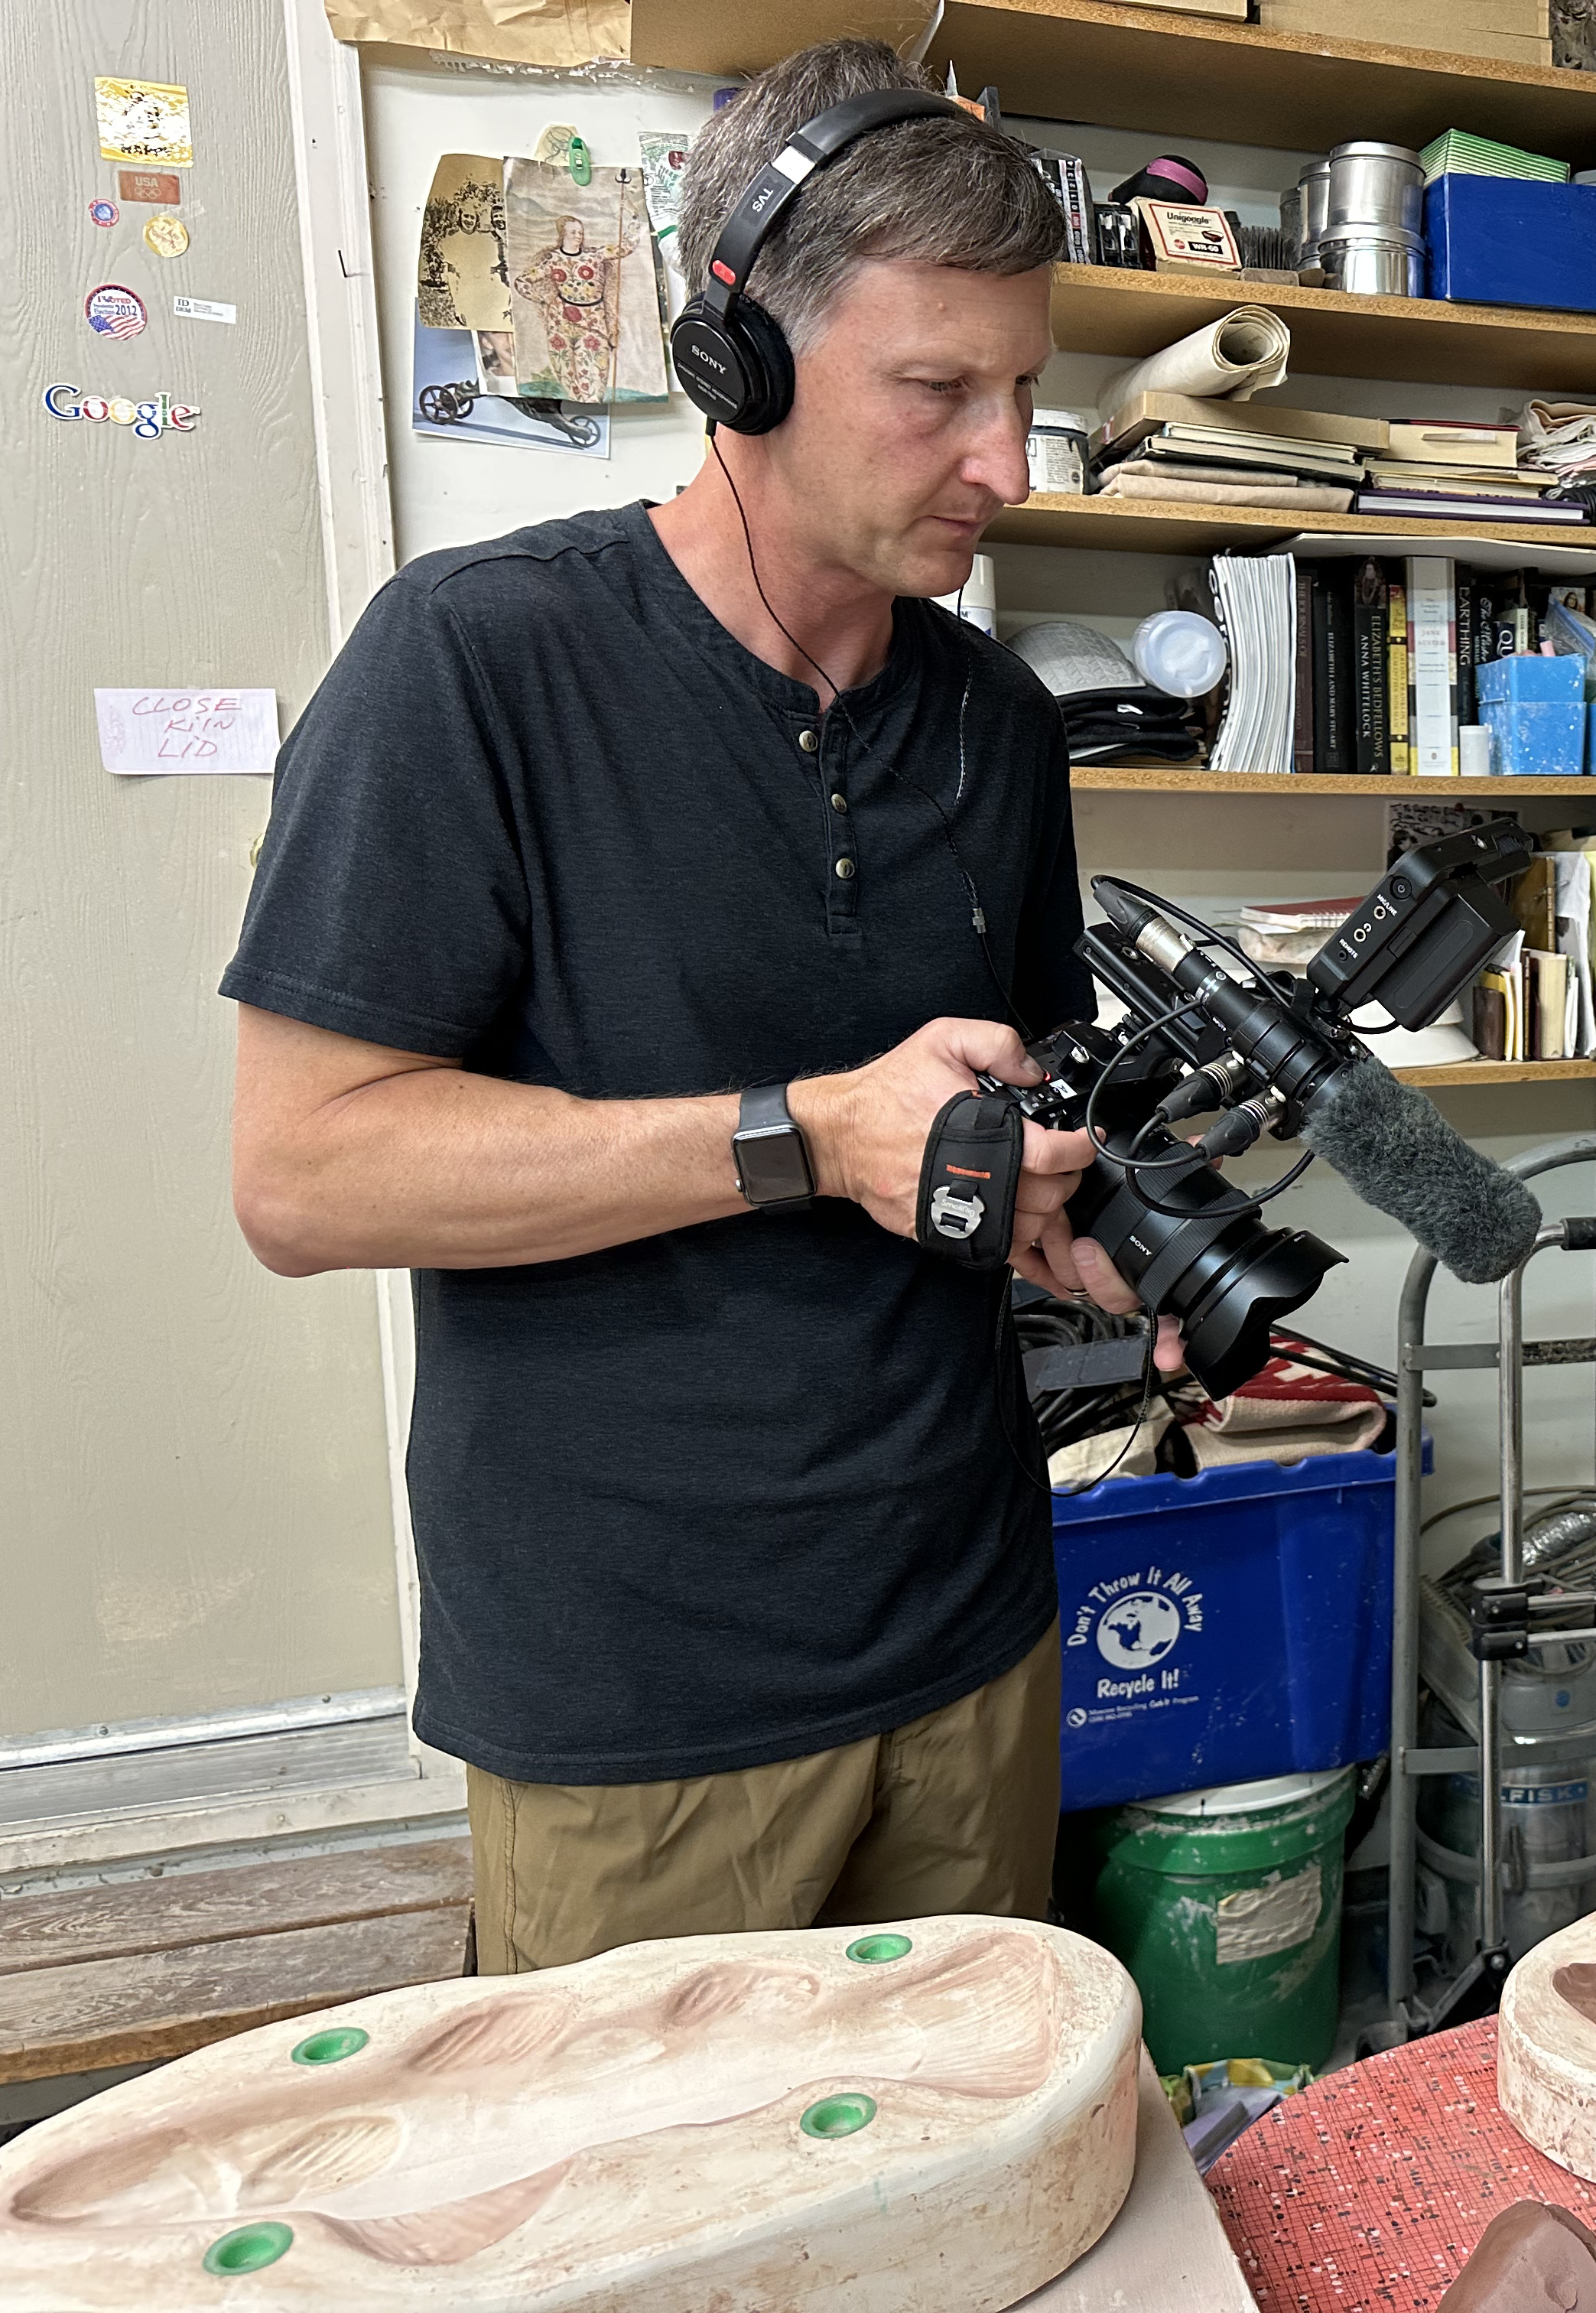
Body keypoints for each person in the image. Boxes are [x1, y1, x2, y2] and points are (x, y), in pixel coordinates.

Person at [225, 39, 1162, 1973]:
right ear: (738, 363)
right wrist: (806, 1136)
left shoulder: (995, 724)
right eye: (935, 394)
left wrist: (1059, 1198)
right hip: (635, 1707)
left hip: (972, 1640)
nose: (1005, 463)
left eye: (1022, 395)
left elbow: (985, 1108)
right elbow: (304, 1180)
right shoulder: (472, 668)